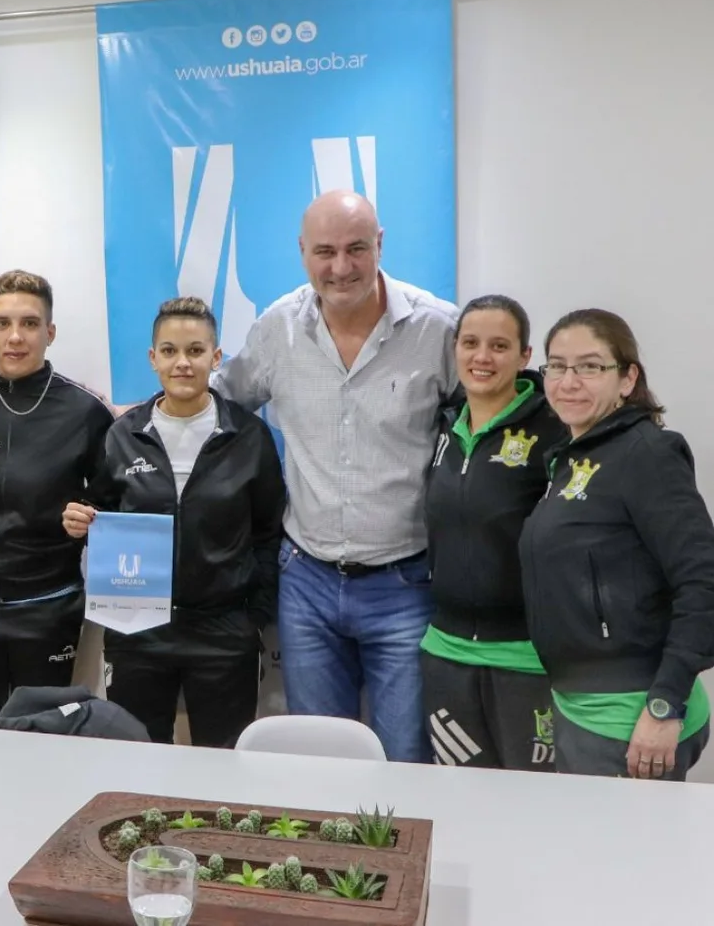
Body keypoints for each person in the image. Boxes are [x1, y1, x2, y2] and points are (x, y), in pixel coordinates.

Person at [216, 190, 457, 762]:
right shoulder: (277, 329)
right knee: (318, 762)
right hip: (307, 584)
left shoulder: (438, 330)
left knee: (406, 760)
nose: (341, 267)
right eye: (324, 251)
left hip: (407, 583)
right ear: (302, 251)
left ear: (380, 244)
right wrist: (134, 413)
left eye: (355, 248)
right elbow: (218, 403)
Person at [64, 297, 285, 747]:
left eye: (195, 351)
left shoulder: (248, 436)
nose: (182, 363)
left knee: (223, 768)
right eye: (169, 351)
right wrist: (78, 520)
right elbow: (99, 512)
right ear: (153, 359)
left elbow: (268, 533)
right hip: (137, 630)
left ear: (215, 358)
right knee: (137, 766)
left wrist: (252, 618)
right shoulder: (123, 435)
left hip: (224, 634)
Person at [519, 309, 714, 780]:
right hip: (580, 705)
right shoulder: (574, 455)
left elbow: (703, 580)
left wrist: (664, 705)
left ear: (628, 378)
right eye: (558, 366)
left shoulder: (647, 453)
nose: (569, 381)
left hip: (633, 716)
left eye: (590, 366)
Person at [0, 269, 114, 728]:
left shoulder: (85, 411)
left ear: (50, 332)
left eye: (30, 324)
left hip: (47, 608)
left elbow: (115, 507)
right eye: (3, 323)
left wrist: (92, 520)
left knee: (44, 744)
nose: (15, 337)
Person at [421, 295, 566, 769]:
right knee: (459, 803)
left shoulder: (556, 430)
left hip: (526, 657)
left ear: (525, 356)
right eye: (471, 343)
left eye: (499, 345)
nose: (482, 357)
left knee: (533, 809)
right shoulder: (445, 423)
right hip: (446, 651)